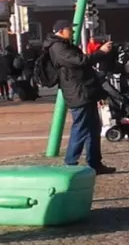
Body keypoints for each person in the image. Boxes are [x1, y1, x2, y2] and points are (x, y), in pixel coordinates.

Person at [42, 20, 115, 174]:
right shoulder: (58, 47)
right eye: (70, 29)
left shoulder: (64, 45)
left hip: (84, 90)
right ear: (61, 31)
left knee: (93, 128)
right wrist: (101, 52)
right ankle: (70, 163)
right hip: (77, 92)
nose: (72, 32)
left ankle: (95, 162)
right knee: (81, 127)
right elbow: (80, 61)